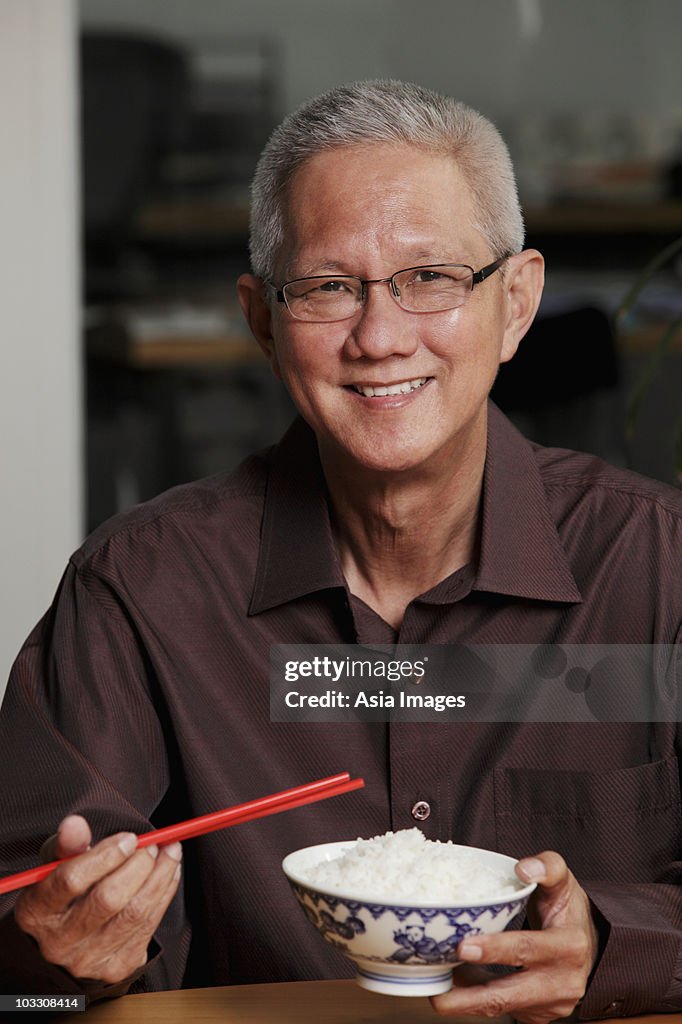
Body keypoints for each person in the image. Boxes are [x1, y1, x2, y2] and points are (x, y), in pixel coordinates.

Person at [1, 80, 680, 1022]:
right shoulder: (141, 589)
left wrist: (615, 943)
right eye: (326, 288)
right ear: (262, 321)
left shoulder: (658, 566)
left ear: (516, 303)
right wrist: (58, 952)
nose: (379, 336)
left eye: (430, 277)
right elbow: (20, 929)